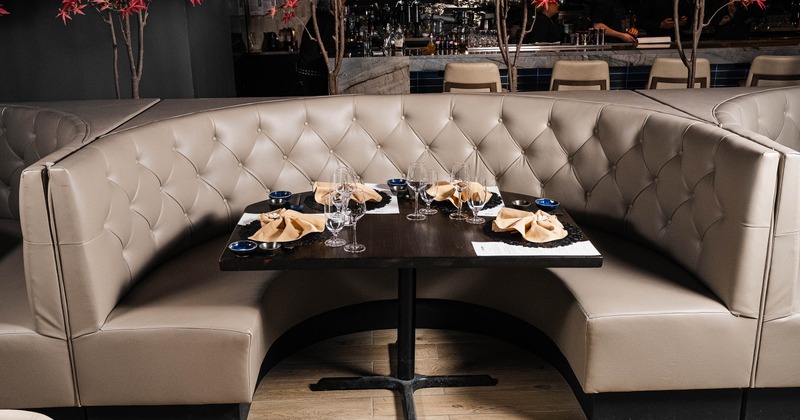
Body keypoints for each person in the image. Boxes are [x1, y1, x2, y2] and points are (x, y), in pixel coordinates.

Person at [296, 0, 336, 96]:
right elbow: (330, 49)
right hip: (314, 75)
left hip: (306, 72)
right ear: (332, 3)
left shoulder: (317, 16)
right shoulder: (327, 19)